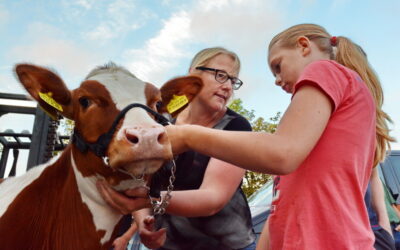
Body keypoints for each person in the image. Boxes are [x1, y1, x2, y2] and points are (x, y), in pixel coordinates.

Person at [98, 24, 395, 248]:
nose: (277, 80)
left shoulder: (325, 70)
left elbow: (282, 153)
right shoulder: (314, 127)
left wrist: (187, 136)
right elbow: (282, 203)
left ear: (303, 46)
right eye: (220, 75)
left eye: (277, 66)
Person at [100, 47, 256, 250]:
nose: (227, 87)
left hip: (226, 245)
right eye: (220, 75)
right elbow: (140, 179)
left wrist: (149, 199)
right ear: (192, 75)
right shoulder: (159, 118)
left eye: (232, 81)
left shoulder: (236, 126)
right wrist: (143, 223)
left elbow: (213, 198)